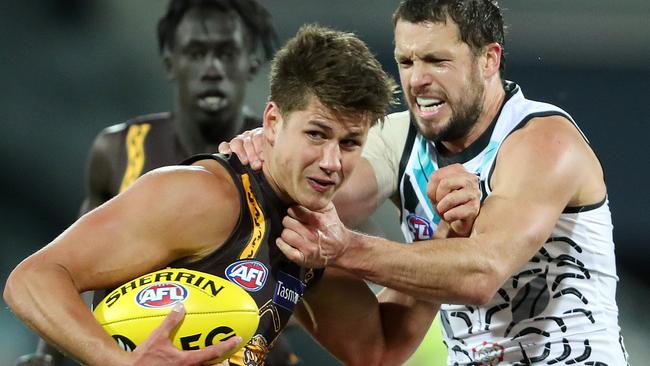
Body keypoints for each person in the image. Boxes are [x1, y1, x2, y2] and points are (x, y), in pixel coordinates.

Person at [2, 24, 473, 366]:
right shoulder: (198, 195)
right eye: (316, 134)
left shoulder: (311, 235)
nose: (333, 162)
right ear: (271, 122)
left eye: (350, 144)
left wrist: (444, 238)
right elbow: (32, 280)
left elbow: (376, 349)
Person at [222, 0, 630, 364]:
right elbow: (304, 196)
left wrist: (345, 248)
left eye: (436, 61)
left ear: (489, 60)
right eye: (406, 62)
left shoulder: (542, 139)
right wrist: (267, 157)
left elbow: (481, 274)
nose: (416, 80)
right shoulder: (399, 139)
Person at [12, 1, 299, 365]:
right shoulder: (121, 149)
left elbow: (323, 268)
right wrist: (48, 355)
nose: (213, 69)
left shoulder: (280, 161)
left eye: (228, 53)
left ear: (253, 63)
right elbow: (78, 262)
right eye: (196, 53)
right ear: (170, 62)